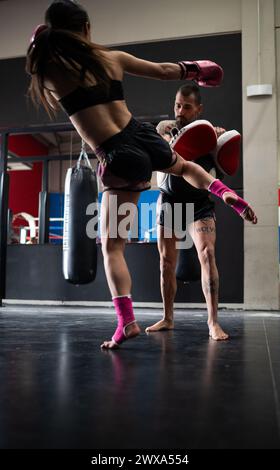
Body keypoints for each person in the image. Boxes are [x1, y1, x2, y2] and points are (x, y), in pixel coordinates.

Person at [26, 0, 257, 349]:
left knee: (112, 245)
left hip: (118, 155)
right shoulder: (112, 59)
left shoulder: (49, 70)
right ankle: (224, 191)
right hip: (142, 135)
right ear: (87, 30)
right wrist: (197, 68)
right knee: (184, 166)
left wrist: (39, 41)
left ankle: (126, 322)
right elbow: (165, 70)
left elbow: (35, 60)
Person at [146, 82, 233, 340]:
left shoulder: (211, 136)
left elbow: (224, 169)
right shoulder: (165, 129)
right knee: (166, 262)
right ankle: (168, 318)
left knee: (207, 254)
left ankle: (213, 322)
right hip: (171, 200)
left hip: (199, 204)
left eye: (186, 107)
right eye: (177, 105)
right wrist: (169, 138)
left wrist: (220, 140)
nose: (180, 111)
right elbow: (161, 146)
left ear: (198, 109)